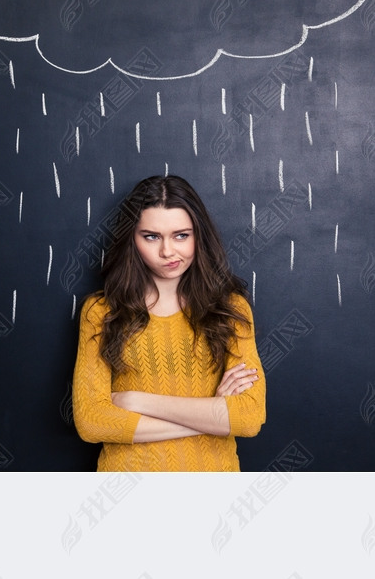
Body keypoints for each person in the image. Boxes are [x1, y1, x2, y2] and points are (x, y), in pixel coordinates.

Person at [71, 174, 266, 470]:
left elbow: (250, 418)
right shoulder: (100, 312)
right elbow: (92, 423)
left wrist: (137, 401)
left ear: (198, 235)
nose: (167, 252)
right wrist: (214, 414)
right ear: (132, 238)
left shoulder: (230, 309)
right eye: (151, 236)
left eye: (181, 235)